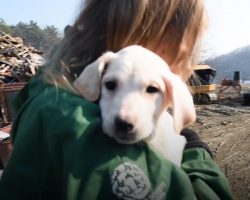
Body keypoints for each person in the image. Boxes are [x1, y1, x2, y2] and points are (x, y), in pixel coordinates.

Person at [0, 0, 234, 199]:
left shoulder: (53, 90)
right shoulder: (76, 125)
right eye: (187, 41)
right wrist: (195, 151)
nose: (187, 55)